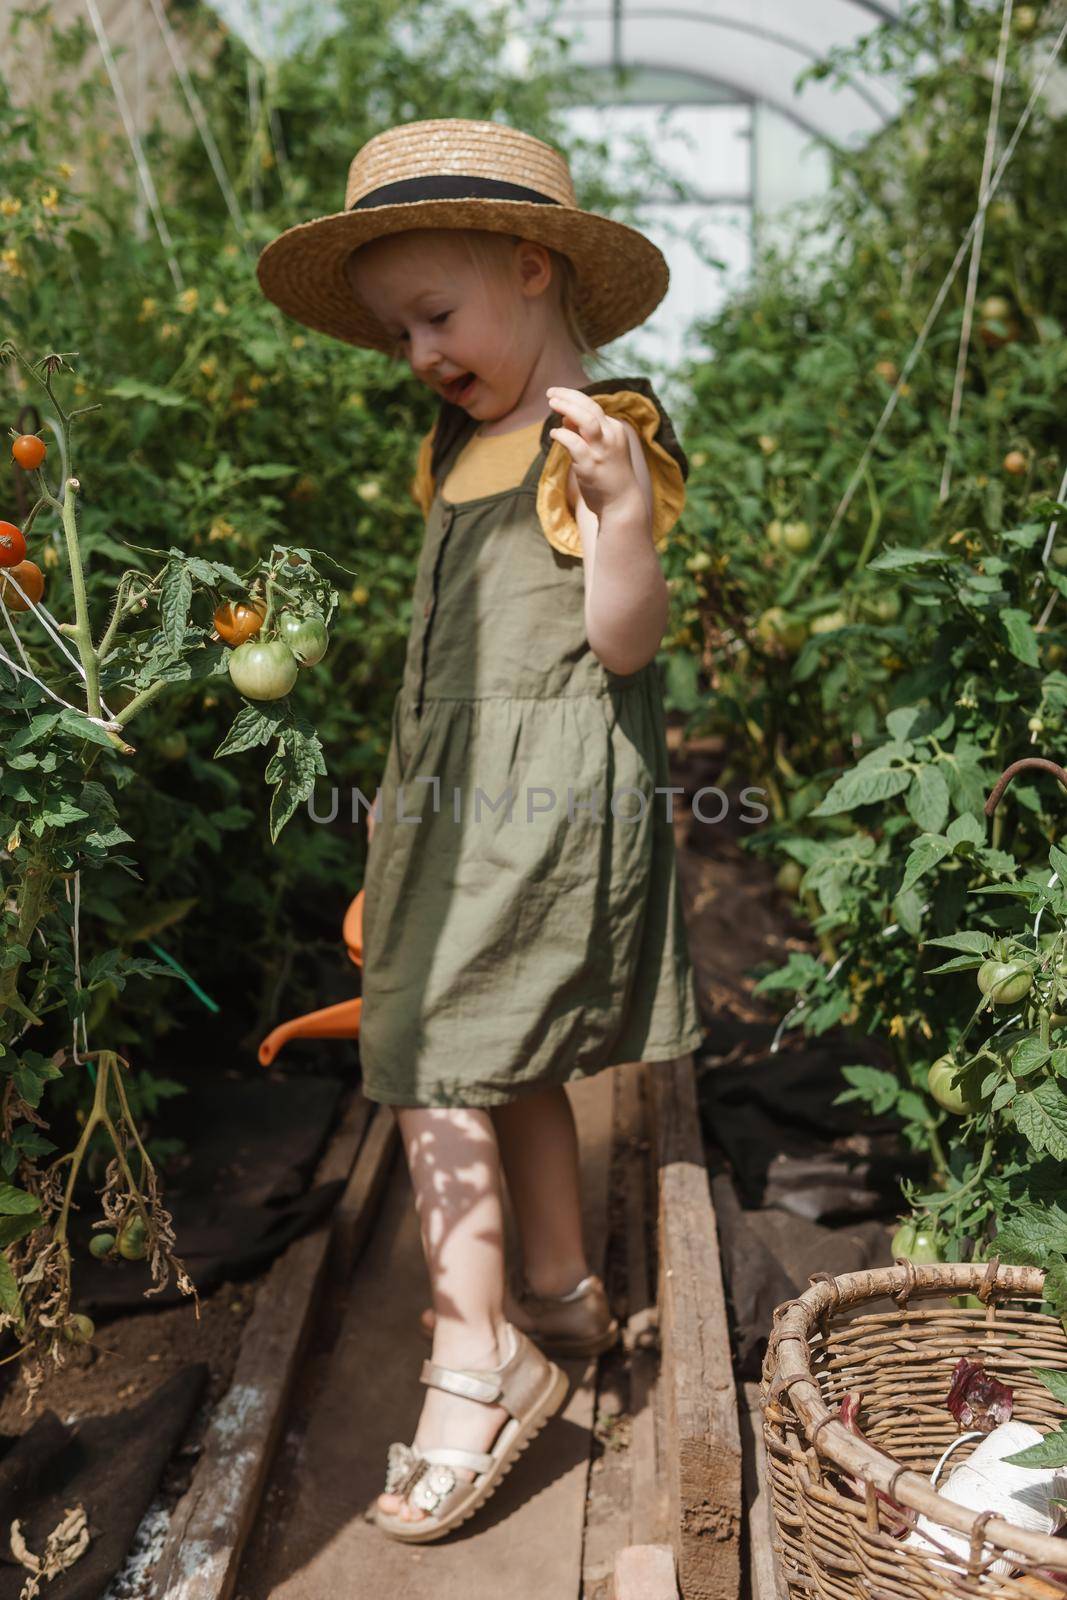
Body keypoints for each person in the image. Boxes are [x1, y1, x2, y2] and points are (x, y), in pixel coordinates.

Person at [257, 116, 704, 1543]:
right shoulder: (455, 445)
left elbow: (623, 647)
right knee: (493, 1037)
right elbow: (442, 649)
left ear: (529, 267)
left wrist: (622, 520)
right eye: (397, 332)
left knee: (431, 1033)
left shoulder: (599, 439)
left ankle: (476, 1353)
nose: (418, 355)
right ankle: (561, 1288)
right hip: (454, 796)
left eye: (435, 316)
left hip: (555, 795)